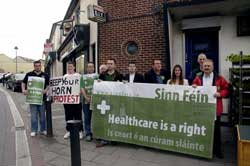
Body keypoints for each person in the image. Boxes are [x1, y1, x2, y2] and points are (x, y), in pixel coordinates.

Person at [192, 59, 229, 159]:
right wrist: (194, 86)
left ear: (212, 67)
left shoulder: (219, 78)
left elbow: (227, 89)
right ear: (202, 67)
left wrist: (220, 94)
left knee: (216, 130)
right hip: (202, 108)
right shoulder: (198, 77)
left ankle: (217, 150)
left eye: (209, 66)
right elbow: (193, 86)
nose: (207, 67)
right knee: (203, 129)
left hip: (215, 108)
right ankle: (203, 149)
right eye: (205, 66)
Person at [97, 58, 123, 147]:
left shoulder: (119, 75)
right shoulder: (102, 75)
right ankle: (104, 138)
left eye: (111, 63)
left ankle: (113, 137)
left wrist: (123, 84)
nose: (109, 65)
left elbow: (123, 88)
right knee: (105, 119)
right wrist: (98, 83)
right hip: (105, 101)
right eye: (108, 63)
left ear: (115, 65)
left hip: (115, 101)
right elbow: (98, 87)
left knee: (114, 119)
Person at [22, 60, 49, 137]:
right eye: (36, 66)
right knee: (33, 116)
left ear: (41, 66)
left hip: (42, 99)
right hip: (32, 99)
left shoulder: (45, 75)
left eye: (39, 66)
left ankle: (43, 130)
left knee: (42, 116)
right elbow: (23, 83)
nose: (38, 67)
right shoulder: (29, 74)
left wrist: (45, 90)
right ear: (34, 66)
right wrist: (23, 90)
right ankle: (34, 130)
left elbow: (48, 85)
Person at [63, 62, 84, 139]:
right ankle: (69, 131)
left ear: (74, 67)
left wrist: (80, 93)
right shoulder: (65, 76)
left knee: (78, 116)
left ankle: (80, 131)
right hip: (67, 101)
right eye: (68, 67)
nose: (69, 68)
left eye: (71, 66)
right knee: (68, 116)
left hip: (76, 100)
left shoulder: (78, 76)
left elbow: (82, 87)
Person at [82, 62, 99, 141]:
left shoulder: (97, 76)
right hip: (86, 100)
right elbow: (82, 87)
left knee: (96, 117)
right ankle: (88, 133)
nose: (90, 68)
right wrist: (86, 97)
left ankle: (97, 133)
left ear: (94, 68)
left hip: (95, 100)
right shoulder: (83, 77)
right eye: (89, 67)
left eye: (92, 67)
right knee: (87, 117)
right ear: (87, 68)